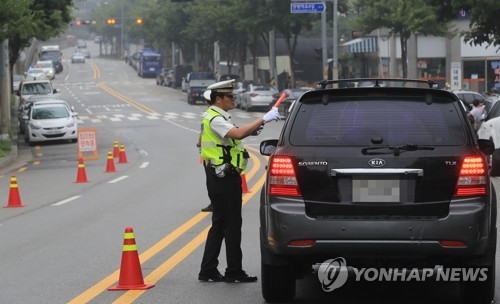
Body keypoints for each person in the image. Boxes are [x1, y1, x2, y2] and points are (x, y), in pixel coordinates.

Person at [198, 79, 280, 283]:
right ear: (219, 99)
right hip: (224, 178)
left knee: (220, 223)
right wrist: (264, 118)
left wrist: (254, 127)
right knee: (232, 225)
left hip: (217, 176)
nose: (234, 99)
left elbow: (210, 140)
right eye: (230, 96)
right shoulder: (216, 118)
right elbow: (237, 133)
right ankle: (233, 270)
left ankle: (208, 269)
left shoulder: (212, 116)